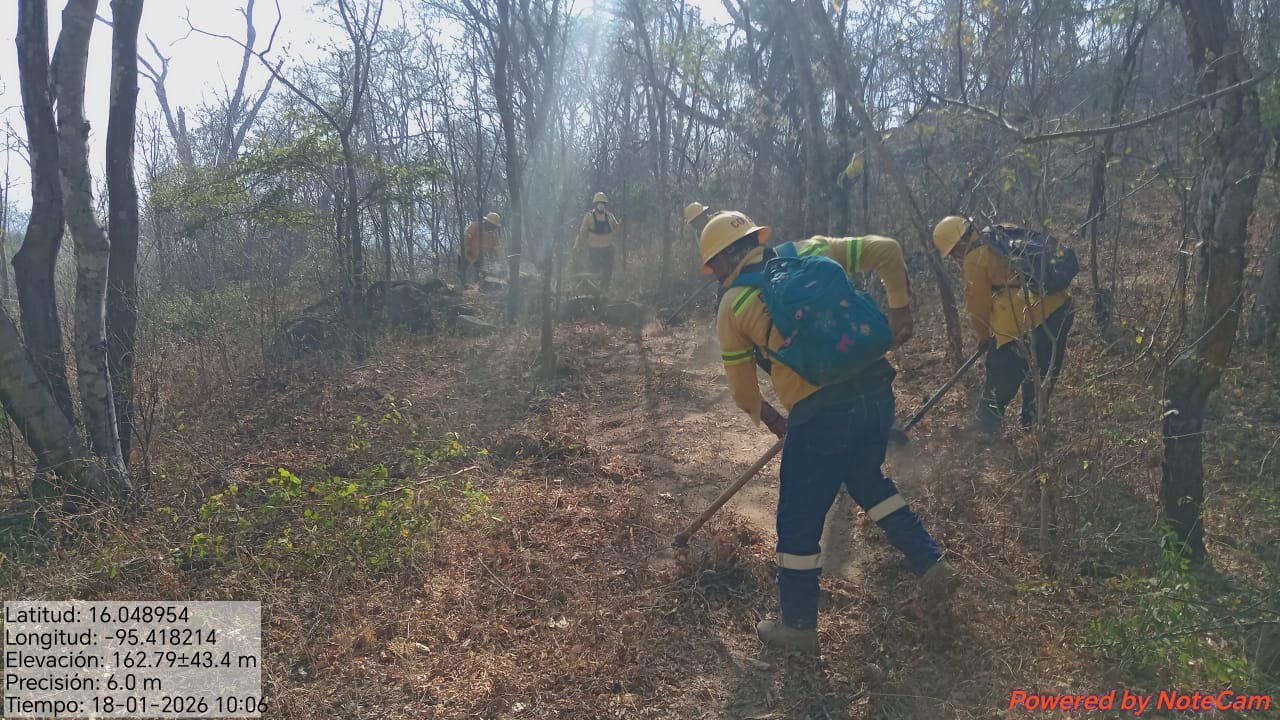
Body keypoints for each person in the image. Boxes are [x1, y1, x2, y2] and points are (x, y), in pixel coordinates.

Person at [703, 210, 957, 654]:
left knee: (799, 518)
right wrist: (900, 310)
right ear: (754, 239)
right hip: (876, 390)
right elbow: (887, 251)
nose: (715, 275)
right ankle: (929, 561)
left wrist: (775, 420)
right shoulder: (808, 250)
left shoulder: (733, 305)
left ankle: (798, 627)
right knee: (866, 478)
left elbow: (744, 393)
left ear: (725, 258)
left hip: (820, 414)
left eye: (714, 266)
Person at [932, 216, 1074, 435]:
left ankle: (984, 427)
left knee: (1001, 372)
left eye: (953, 253)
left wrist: (984, 338)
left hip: (1019, 319)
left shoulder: (974, 258)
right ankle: (1035, 422)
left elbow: (977, 307)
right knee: (1044, 368)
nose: (955, 258)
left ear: (959, 244)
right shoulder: (1003, 229)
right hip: (1059, 306)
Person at [575, 192, 621, 292]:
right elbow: (582, 232)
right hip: (594, 249)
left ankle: (604, 291)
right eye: (599, 203)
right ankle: (593, 292)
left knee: (608, 272)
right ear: (595, 204)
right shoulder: (589, 216)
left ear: (605, 205)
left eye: (603, 203)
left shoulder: (610, 216)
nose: (601, 205)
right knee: (594, 272)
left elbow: (617, 229)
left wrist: (622, 222)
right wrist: (577, 246)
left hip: (608, 248)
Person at [460, 212, 503, 287]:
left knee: (479, 273)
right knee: (462, 272)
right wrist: (468, 249)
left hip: (478, 257)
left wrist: (500, 259)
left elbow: (497, 247)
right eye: (492, 225)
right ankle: (461, 288)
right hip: (465, 254)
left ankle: (476, 287)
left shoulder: (494, 234)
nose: (493, 227)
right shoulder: (475, 226)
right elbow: (466, 238)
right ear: (487, 222)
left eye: (494, 226)